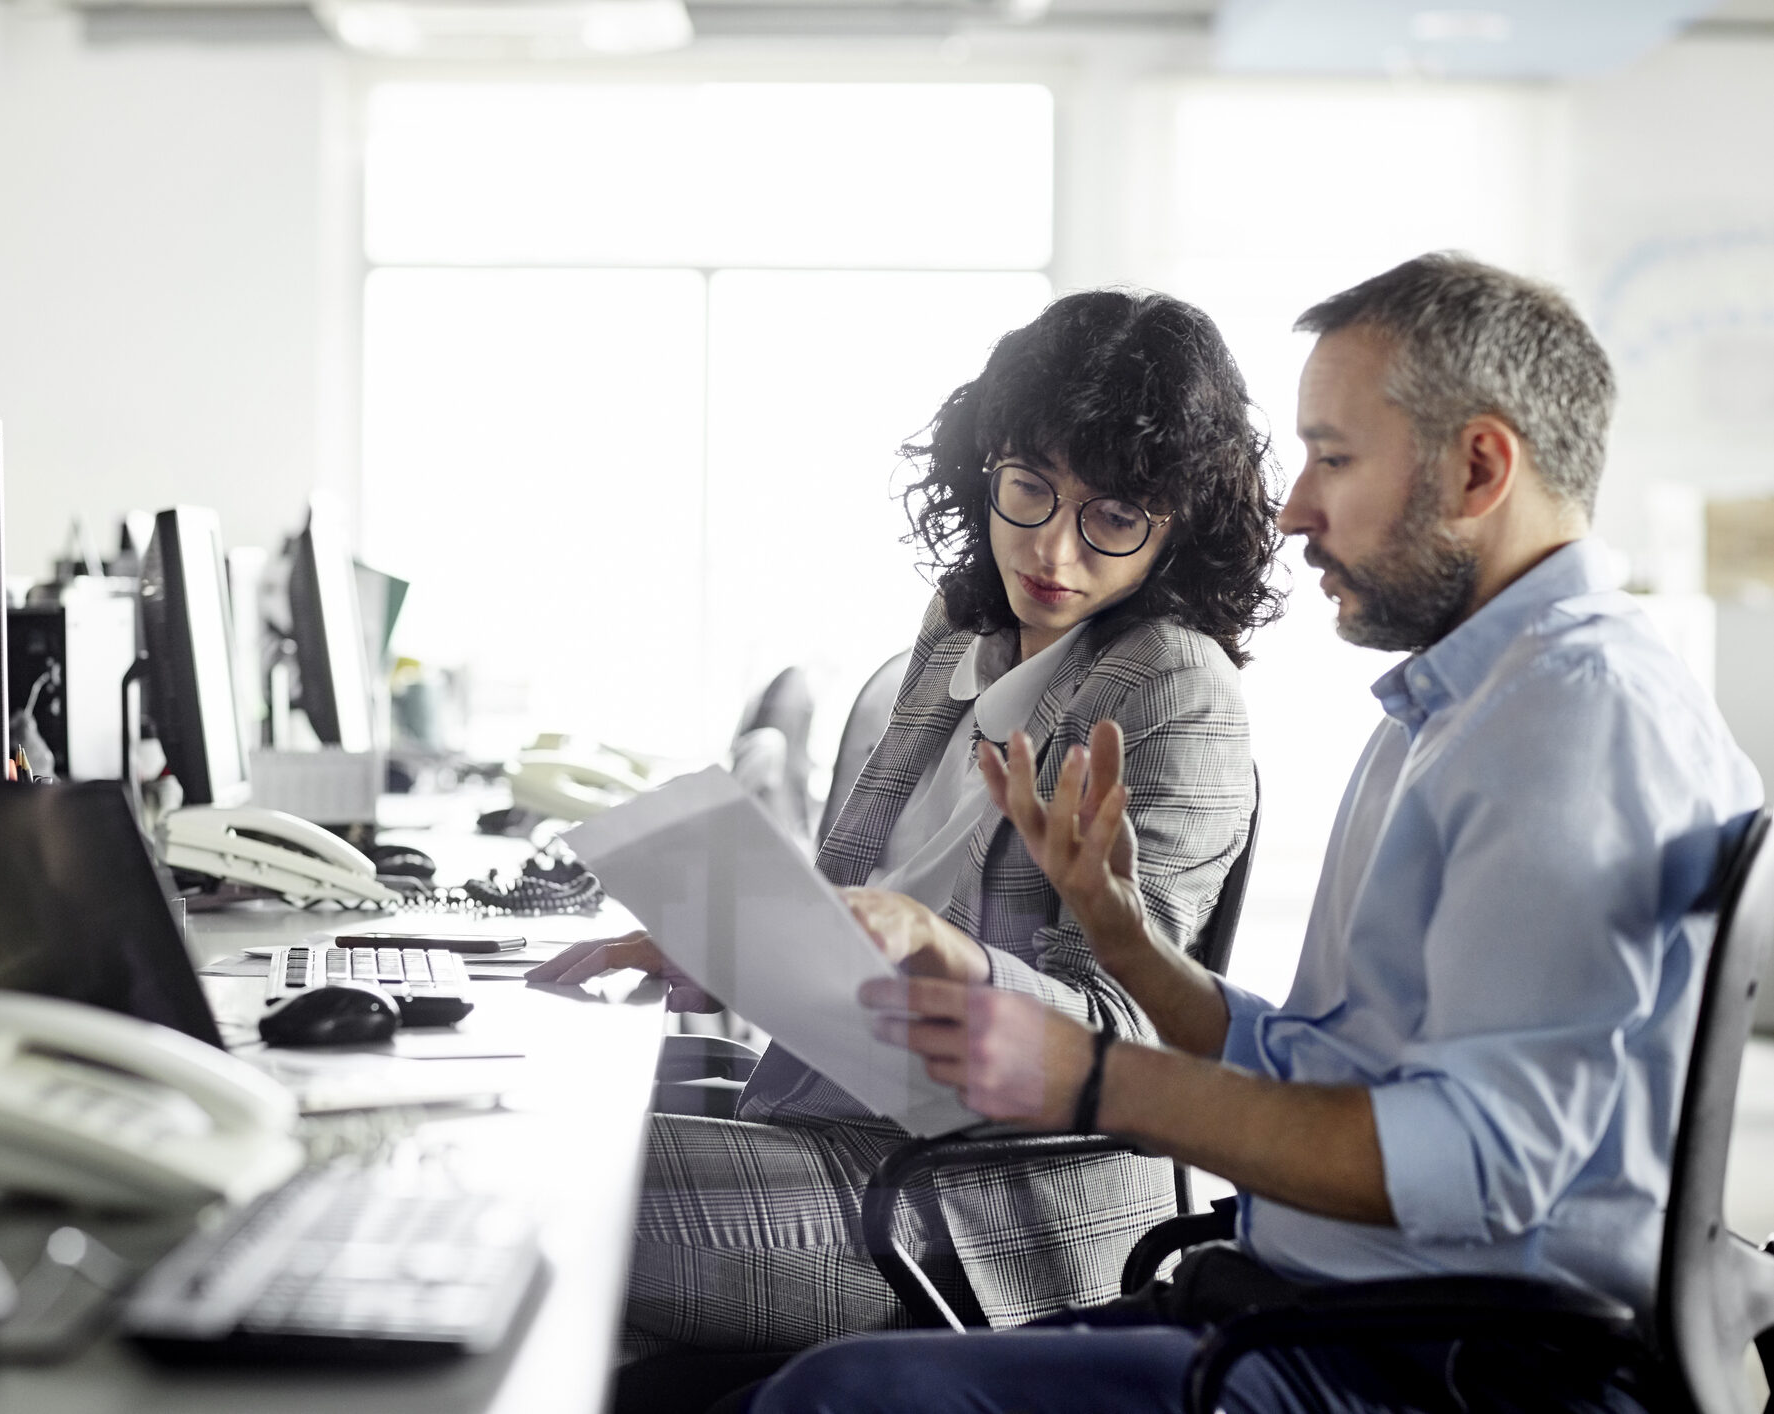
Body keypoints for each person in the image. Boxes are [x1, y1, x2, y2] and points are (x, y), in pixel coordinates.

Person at [749, 253, 1764, 1414]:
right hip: (1316, 1311)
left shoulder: (1574, 721)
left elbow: (1479, 1161)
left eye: (1333, 457)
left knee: (835, 1402)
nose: (1292, 508)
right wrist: (1130, 948)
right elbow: (1339, 1071)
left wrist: (1094, 1078)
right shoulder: (1475, 702)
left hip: (1440, 1368)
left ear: (1480, 467)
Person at [529, 289, 1284, 1353]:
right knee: (493, 1131)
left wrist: (957, 962)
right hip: (841, 1118)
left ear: (1180, 522)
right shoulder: (958, 636)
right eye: (1030, 488)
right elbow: (872, 904)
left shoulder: (1175, 688)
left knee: (518, 1180)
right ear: (988, 466)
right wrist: (734, 943)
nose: (1055, 553)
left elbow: (1142, 1028)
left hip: (982, 1207)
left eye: (1112, 516)